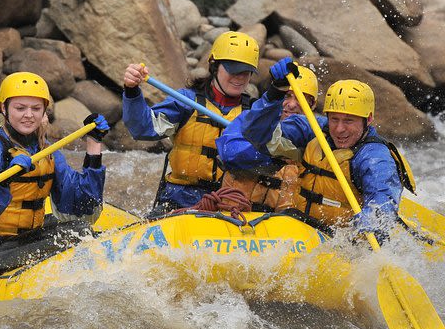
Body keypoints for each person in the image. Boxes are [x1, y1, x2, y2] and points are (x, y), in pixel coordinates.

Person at [0, 72, 109, 279]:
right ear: (4, 108)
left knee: (80, 228)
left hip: (23, 240)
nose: (28, 115)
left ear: (44, 111)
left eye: (36, 108)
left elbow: (84, 209)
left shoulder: (45, 150)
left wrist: (93, 144)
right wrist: (5, 179)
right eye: (20, 108)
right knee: (75, 234)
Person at [240, 60, 415, 234]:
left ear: (368, 119)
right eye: (334, 119)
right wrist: (274, 93)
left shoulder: (374, 157)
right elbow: (255, 134)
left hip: (340, 239)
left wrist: (367, 225)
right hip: (301, 226)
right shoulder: (313, 129)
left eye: (348, 121)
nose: (339, 129)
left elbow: (382, 205)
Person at [122, 31, 259, 214]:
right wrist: (132, 91)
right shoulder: (186, 102)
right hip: (180, 200)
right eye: (233, 70)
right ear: (214, 66)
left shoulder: (254, 114)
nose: (240, 78)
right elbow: (143, 128)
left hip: (229, 204)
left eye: (246, 72)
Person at [216, 60, 320, 212]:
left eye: (301, 98)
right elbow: (231, 153)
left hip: (284, 225)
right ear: (277, 96)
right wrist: (275, 155)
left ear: (313, 105)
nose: (291, 104)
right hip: (237, 215)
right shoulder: (248, 120)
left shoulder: (316, 135)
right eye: (287, 96)